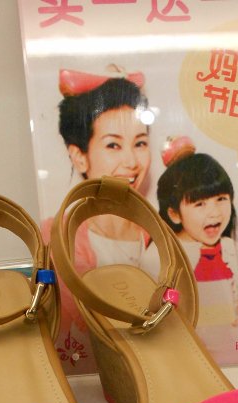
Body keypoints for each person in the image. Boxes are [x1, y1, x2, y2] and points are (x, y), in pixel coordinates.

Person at [43, 67, 153, 372]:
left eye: (140, 143)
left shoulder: (158, 232)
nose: (131, 162)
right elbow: (79, 327)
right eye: (113, 145)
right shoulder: (58, 236)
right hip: (96, 371)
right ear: (79, 156)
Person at [140, 137, 238, 360]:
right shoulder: (160, 255)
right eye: (200, 203)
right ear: (174, 213)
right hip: (186, 358)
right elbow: (149, 308)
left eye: (221, 199)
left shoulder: (229, 247)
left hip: (233, 352)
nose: (214, 212)